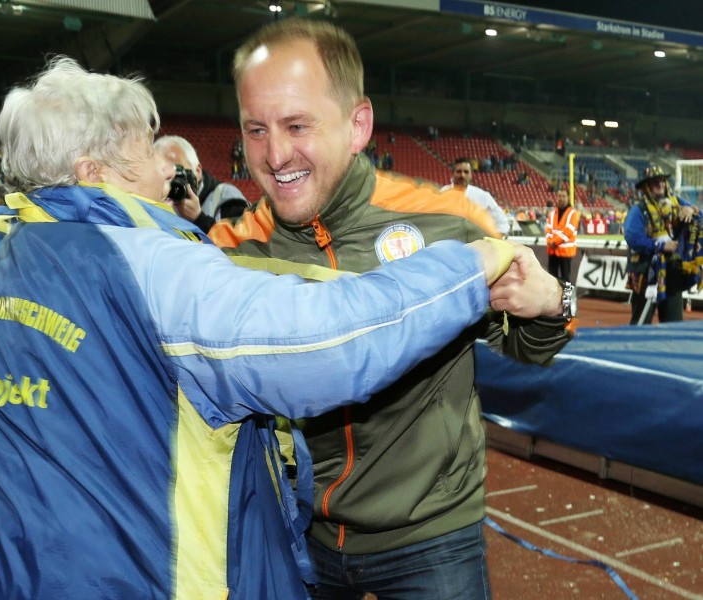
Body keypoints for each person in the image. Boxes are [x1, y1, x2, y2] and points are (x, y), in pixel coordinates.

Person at [0, 56, 523, 599]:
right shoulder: (149, 264)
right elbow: (328, 344)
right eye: (143, 148)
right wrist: (477, 262)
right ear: (92, 171)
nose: (167, 164)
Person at [209, 18, 575, 600]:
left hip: (433, 540)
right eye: (256, 129)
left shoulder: (447, 223)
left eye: (297, 124)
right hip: (295, 533)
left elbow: (530, 344)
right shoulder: (230, 251)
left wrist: (555, 300)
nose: (275, 154)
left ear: (358, 126)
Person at [624, 166, 703, 325]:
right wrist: (660, 246)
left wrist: (691, 209)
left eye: (662, 181)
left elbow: (700, 216)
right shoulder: (639, 210)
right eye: (654, 182)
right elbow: (633, 237)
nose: (659, 184)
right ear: (646, 187)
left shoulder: (678, 203)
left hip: (672, 273)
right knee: (640, 324)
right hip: (646, 273)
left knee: (674, 325)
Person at [154, 134, 250, 232]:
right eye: (164, 175)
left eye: (178, 172)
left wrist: (199, 218)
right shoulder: (152, 200)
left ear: (198, 171)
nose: (173, 183)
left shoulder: (226, 197)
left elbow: (242, 243)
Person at [440, 157, 510, 236]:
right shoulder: (443, 193)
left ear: (471, 175)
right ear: (453, 173)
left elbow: (502, 222)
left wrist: (496, 237)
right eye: (459, 171)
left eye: (466, 172)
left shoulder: (483, 196)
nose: (462, 175)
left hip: (475, 242)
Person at [545, 187, 581, 282]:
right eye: (559, 196)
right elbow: (548, 229)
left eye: (563, 196)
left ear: (568, 197)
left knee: (566, 278)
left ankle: (567, 297)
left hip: (565, 251)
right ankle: (554, 297)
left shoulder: (573, 213)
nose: (560, 198)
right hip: (553, 251)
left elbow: (569, 230)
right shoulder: (552, 213)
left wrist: (554, 242)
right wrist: (550, 242)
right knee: (552, 278)